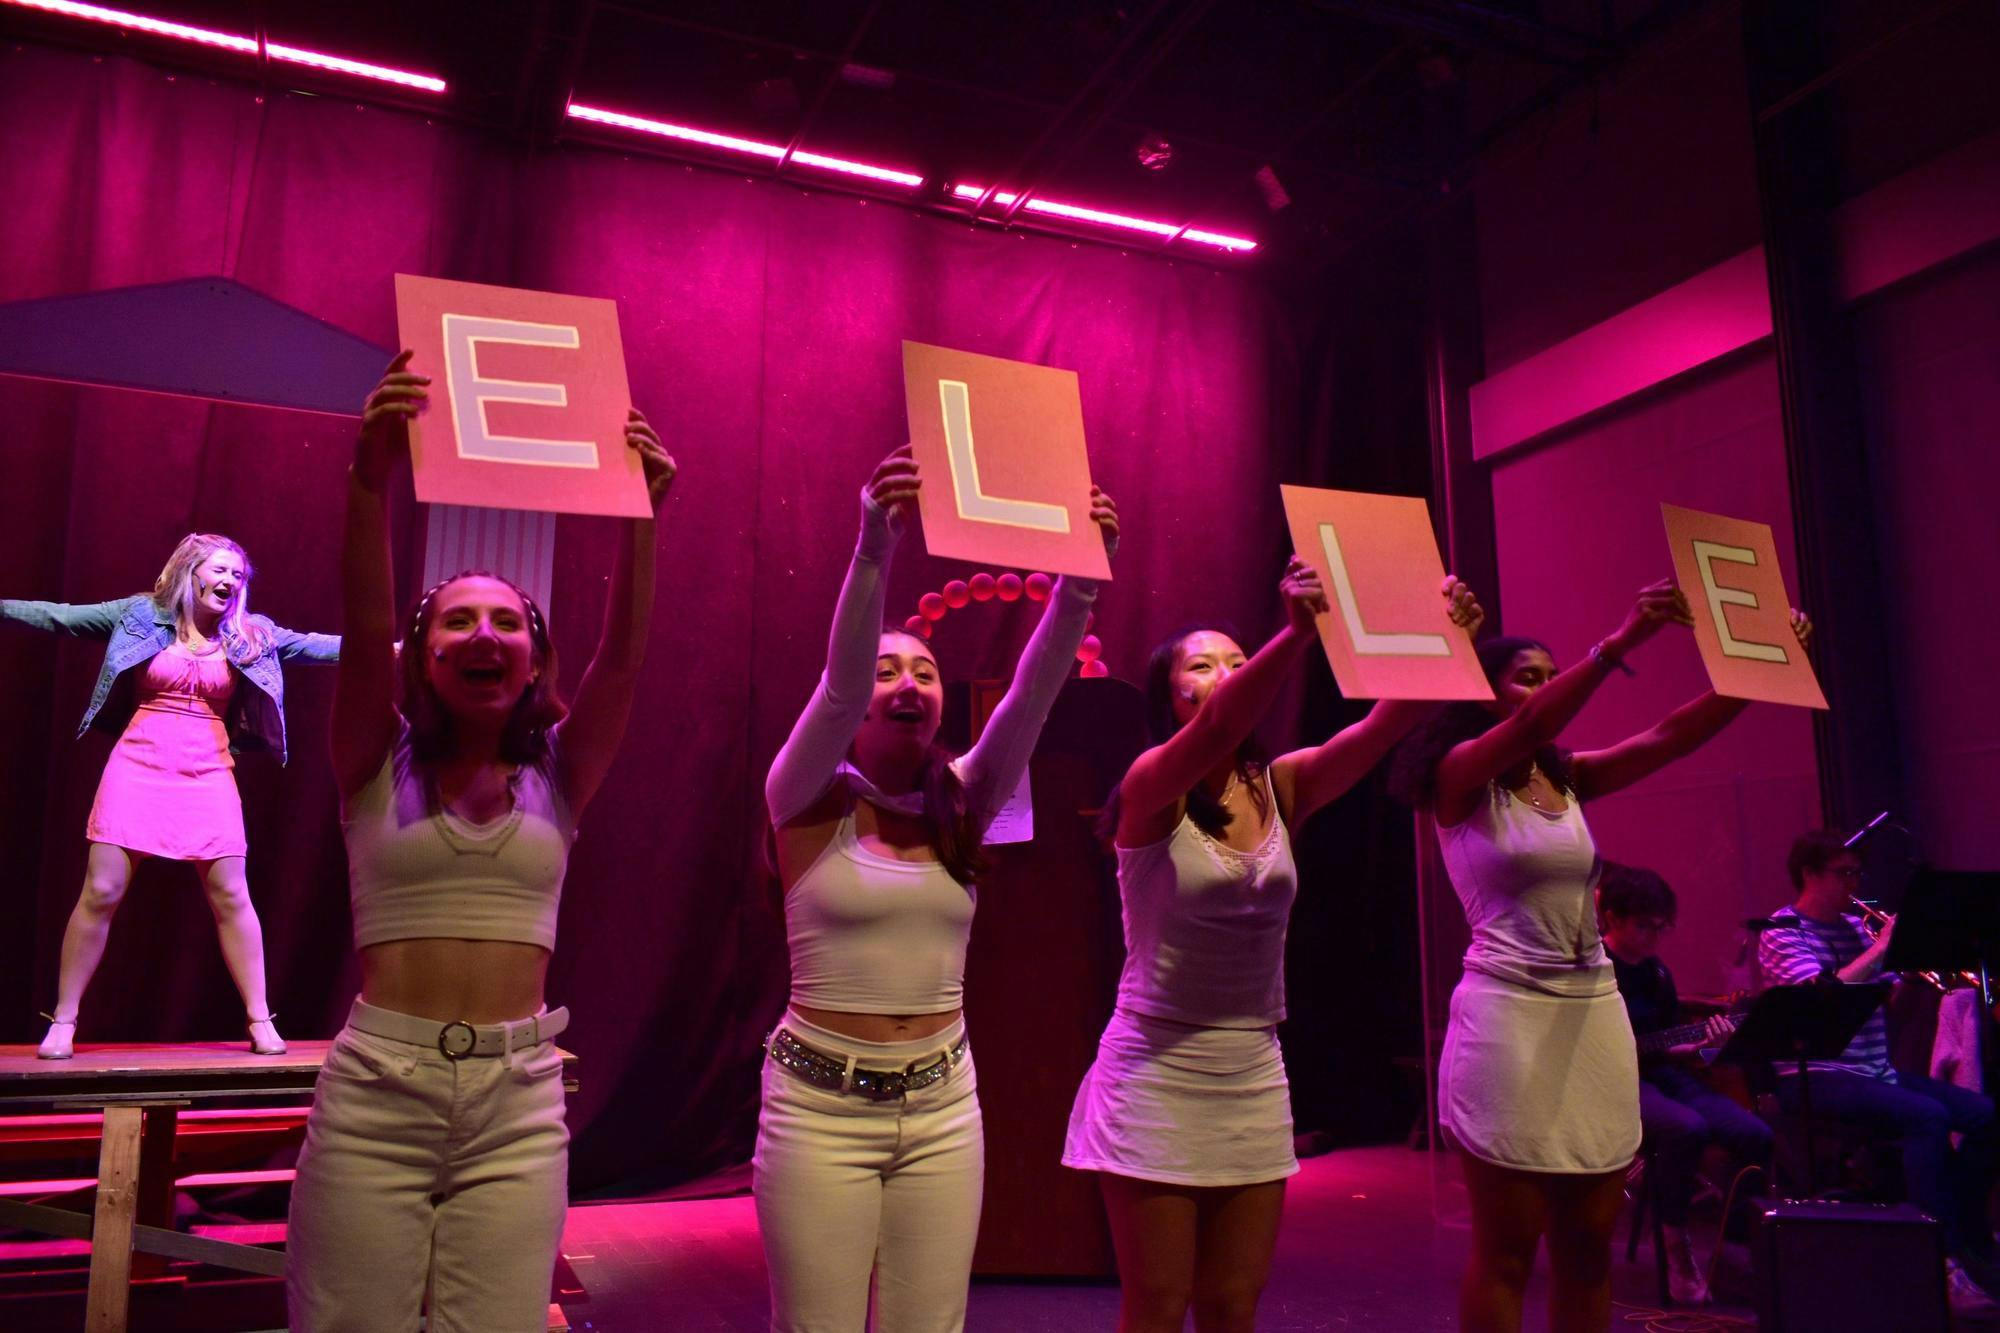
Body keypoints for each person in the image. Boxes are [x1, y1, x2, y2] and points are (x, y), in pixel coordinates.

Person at [284, 350, 675, 1332]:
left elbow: (621, 659)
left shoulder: (559, 778)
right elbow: (365, 607)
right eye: (455, 621)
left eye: (507, 622)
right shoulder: (371, 762)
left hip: (517, 1103)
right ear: (417, 658)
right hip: (380, 1091)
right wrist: (366, 480)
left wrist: (638, 523)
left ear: (536, 661)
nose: (483, 634)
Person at [1064, 560, 1482, 1333]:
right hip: (1155, 1067)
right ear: (1170, 696)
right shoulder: (1151, 784)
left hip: (1252, 1067)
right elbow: (1222, 727)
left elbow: (1386, 724)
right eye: (1204, 664)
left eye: (1235, 659)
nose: (1225, 674)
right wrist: (1296, 634)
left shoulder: (1280, 785)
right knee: (1156, 1305)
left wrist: (1443, 638)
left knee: (1231, 1304)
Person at [758, 442, 1116, 1333]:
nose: (907, 682)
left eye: (923, 670)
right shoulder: (802, 795)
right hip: (818, 1109)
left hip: (944, 1104)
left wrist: (1079, 582)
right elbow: (839, 691)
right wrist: (873, 545)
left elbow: (1029, 701)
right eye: (889, 670)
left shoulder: (964, 795)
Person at [1387, 584, 1809, 1333]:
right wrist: (1619, 641)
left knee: (1588, 1248)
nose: (1545, 687)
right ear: (1479, 690)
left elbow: (1669, 737)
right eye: (1528, 674)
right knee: (1510, 1249)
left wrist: (1760, 670)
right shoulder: (1457, 776)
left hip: (1593, 1016)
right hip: (1508, 1016)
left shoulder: (1566, 778)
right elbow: (1533, 723)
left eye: (1552, 672)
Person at [4, 534, 340, 1059]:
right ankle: (63, 1021)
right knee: (102, 891)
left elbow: (319, 645)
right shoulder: (138, 616)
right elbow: (61, 617)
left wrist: (389, 644)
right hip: (138, 764)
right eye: (220, 570)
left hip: (207, 770)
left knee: (232, 896)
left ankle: (260, 1019)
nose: (230, 581)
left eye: (238, 575)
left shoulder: (251, 635)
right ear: (191, 572)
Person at [1757, 830, 2000, 1308]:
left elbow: (1886, 998)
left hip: (1874, 1070)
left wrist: (1914, 967)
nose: (1854, 883)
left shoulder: (1853, 927)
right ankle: (1939, 1257)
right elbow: (1820, 998)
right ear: (1809, 874)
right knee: (1925, 1117)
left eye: (1857, 873)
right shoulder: (1781, 930)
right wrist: (1885, 949)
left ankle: (1969, 1231)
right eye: (1843, 873)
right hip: (1815, 1075)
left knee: (1986, 1115)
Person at [1597, 862, 1772, 1305]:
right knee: (1684, 1128)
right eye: (1644, 926)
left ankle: (1736, 1243)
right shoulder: (1593, 970)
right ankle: (1677, 1249)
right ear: (1612, 918)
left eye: (1662, 927)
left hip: (1662, 1073)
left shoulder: (1657, 972)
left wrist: (1708, 1044)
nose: (1654, 936)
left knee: (1755, 1133)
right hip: (1612, 1084)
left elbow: (1675, 1043)